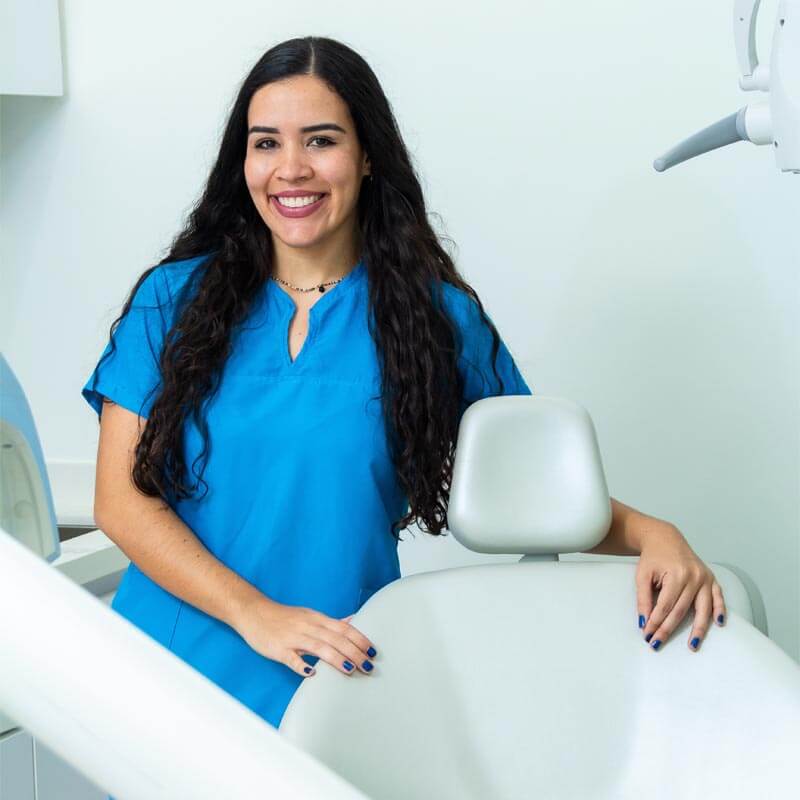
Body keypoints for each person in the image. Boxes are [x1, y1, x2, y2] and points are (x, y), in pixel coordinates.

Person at [83, 38, 727, 795]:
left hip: (326, 684)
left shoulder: (432, 322)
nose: (291, 168)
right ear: (243, 164)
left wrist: (657, 534)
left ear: (366, 158)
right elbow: (119, 501)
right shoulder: (173, 299)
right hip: (157, 680)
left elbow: (527, 491)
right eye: (267, 144)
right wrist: (257, 614)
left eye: (320, 141)